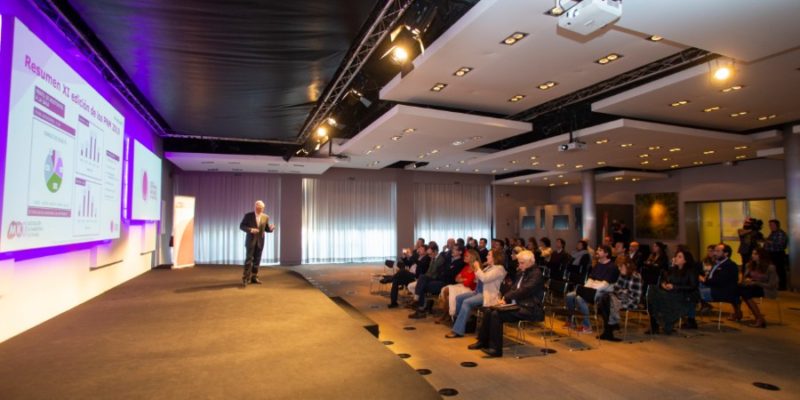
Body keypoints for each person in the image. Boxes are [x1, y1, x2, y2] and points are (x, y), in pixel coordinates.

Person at [468, 250, 544, 357]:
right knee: (489, 310)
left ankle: (496, 349)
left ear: (530, 262)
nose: (519, 265)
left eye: (522, 263)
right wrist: (505, 299)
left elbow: (524, 290)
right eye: (519, 263)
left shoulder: (536, 274)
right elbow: (513, 288)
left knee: (496, 315)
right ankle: (482, 341)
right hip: (518, 304)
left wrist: (507, 297)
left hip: (530, 308)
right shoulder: (522, 272)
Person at [446, 249, 507, 338]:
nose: (486, 256)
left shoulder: (499, 269)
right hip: (478, 291)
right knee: (458, 298)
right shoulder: (488, 267)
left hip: (487, 295)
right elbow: (478, 279)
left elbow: (485, 279)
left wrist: (478, 268)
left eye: (489, 255)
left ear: (495, 257)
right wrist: (476, 272)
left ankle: (458, 330)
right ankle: (461, 323)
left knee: (467, 302)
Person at [565, 245, 620, 334]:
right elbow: (590, 279)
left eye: (600, 250)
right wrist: (586, 289)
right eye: (597, 250)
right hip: (591, 289)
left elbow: (605, 284)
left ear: (606, 254)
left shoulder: (612, 266)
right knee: (569, 296)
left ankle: (587, 326)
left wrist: (591, 288)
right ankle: (571, 321)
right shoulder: (598, 264)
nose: (597, 251)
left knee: (580, 298)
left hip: (603, 292)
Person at [647, 246, 699, 335]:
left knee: (655, 296)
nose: (676, 258)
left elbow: (693, 286)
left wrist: (675, 287)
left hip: (684, 296)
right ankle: (655, 324)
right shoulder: (673, 269)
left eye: (679, 257)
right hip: (671, 293)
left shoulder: (691, 271)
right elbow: (666, 280)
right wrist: (664, 284)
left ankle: (657, 324)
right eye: (676, 256)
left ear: (685, 260)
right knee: (652, 290)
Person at [597, 255, 642, 341]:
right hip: (620, 298)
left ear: (628, 265)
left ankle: (609, 330)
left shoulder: (636, 276)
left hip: (631, 301)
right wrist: (621, 291)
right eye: (618, 266)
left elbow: (632, 295)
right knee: (604, 298)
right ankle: (609, 329)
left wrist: (620, 292)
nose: (619, 269)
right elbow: (616, 288)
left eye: (621, 266)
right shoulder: (622, 275)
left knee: (607, 301)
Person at [734, 248, 778, 328]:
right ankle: (739, 312)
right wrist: (747, 280)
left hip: (765, 289)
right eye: (752, 253)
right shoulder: (749, 265)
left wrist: (756, 282)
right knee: (736, 289)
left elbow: (772, 285)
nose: (752, 256)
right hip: (751, 287)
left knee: (745, 292)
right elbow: (744, 278)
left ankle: (758, 317)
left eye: (755, 254)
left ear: (762, 256)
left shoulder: (770, 267)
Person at [239, 200, 275, 287]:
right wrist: (251, 230)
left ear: (263, 208)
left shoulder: (265, 217)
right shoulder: (248, 216)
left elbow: (266, 229)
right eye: (258, 208)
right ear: (255, 207)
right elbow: (242, 226)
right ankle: (246, 278)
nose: (259, 209)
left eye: (261, 208)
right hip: (250, 241)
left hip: (260, 241)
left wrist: (271, 229)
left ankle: (254, 277)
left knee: (257, 260)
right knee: (249, 260)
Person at [436, 249, 478, 323]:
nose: (464, 257)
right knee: (445, 290)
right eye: (465, 256)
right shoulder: (466, 267)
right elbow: (456, 278)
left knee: (447, 291)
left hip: (470, 290)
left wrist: (462, 279)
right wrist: (463, 279)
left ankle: (446, 315)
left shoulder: (476, 268)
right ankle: (447, 314)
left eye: (467, 256)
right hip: (461, 286)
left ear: (472, 258)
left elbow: (468, 283)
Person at [388, 244, 433, 308]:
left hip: (416, 277)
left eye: (421, 249)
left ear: (425, 251)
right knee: (395, 281)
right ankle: (394, 302)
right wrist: (404, 258)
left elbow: (420, 265)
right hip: (410, 276)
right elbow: (408, 263)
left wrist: (411, 256)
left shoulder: (427, 258)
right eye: (419, 248)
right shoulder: (417, 257)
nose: (419, 250)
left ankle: (390, 278)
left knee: (402, 271)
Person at [698, 243, 740, 313]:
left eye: (718, 251)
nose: (714, 253)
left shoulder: (729, 265)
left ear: (726, 253)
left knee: (692, 293)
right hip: (714, 287)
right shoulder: (718, 263)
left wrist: (703, 280)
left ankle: (691, 316)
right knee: (691, 287)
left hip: (722, 292)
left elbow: (718, 281)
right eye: (715, 251)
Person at [763, 219, 788, 290]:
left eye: (772, 225)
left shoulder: (780, 233)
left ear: (777, 225)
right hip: (771, 254)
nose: (770, 226)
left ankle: (782, 286)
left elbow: (780, 244)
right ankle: (775, 285)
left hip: (777, 254)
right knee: (774, 270)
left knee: (779, 270)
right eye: (770, 225)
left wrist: (768, 241)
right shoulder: (772, 233)